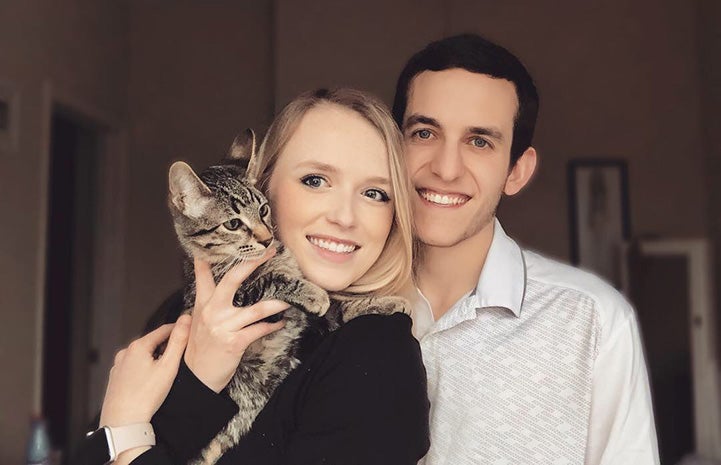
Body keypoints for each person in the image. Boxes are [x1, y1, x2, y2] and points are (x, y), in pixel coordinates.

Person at [75, 88, 430, 465]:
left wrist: (123, 432)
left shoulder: (377, 356)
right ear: (263, 184)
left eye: (375, 193)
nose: (345, 216)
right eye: (315, 180)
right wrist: (197, 380)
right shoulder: (174, 313)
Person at [391, 33, 659, 464]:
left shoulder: (593, 320)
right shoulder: (335, 303)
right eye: (424, 132)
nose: (445, 168)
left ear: (517, 171)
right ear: (391, 147)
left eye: (479, 141)